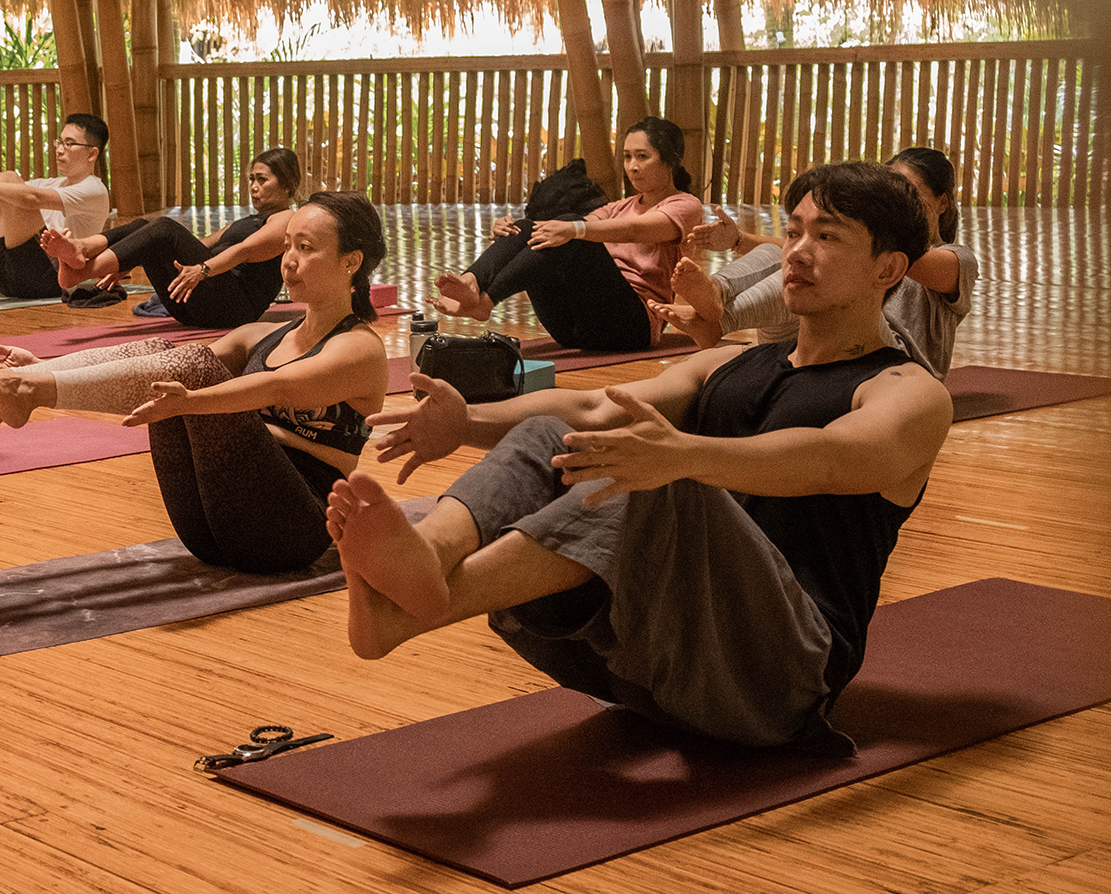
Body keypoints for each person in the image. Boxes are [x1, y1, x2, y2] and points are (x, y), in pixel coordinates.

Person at [333, 162, 952, 752]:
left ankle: (420, 609)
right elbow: (598, 409)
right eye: (792, 232)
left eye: (827, 236)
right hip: (658, 652)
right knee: (555, 426)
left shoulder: (909, 392)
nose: (795, 251)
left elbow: (833, 457)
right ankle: (428, 556)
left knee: (653, 474)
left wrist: (681, 456)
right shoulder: (728, 362)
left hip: (779, 673)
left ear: (888, 268)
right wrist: (466, 422)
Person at [0, 192, 388, 574]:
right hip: (209, 531)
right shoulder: (265, 334)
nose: (288, 261)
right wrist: (44, 363)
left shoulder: (359, 349)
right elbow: (153, 359)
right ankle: (26, 384)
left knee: (189, 375)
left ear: (351, 261)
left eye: (306, 248)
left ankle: (29, 393)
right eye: (288, 246)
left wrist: (193, 398)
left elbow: (274, 389)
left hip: (292, 530)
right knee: (170, 359)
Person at [653, 147, 977, 378]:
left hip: (896, 360)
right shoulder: (871, 245)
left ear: (942, 202)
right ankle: (716, 296)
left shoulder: (957, 259)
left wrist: (871, 211)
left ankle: (719, 322)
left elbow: (900, 252)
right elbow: (795, 249)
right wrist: (739, 240)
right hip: (836, 343)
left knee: (810, 270)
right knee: (788, 256)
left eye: (908, 193)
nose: (897, 200)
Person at [433, 117, 704, 352]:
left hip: (632, 328)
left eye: (643, 157)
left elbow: (637, 229)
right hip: (571, 328)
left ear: (670, 161)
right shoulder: (618, 207)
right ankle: (472, 282)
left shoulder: (685, 205)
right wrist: (509, 231)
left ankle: (487, 302)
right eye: (627, 156)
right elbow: (565, 231)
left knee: (570, 228)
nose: (632, 166)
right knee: (533, 226)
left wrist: (573, 228)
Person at [38, 147, 298, 329]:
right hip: (195, 303)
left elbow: (245, 251)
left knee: (164, 228)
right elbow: (201, 245)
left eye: (262, 180)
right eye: (251, 179)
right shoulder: (245, 221)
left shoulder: (286, 219)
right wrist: (126, 260)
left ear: (287, 184)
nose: (253, 186)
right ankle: (82, 248)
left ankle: (78, 271)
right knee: (144, 227)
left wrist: (202, 270)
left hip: (233, 308)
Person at [0, 112, 111, 299]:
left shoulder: (94, 189)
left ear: (92, 153)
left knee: (4, 181)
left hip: (50, 280)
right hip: (8, 274)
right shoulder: (54, 183)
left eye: (69, 144)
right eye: (60, 142)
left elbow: (32, 198)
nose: (59, 150)